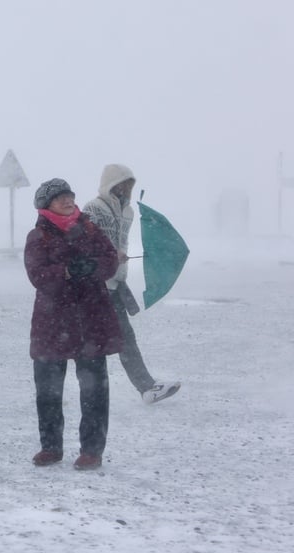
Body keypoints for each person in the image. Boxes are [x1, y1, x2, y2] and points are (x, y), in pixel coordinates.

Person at [24, 179, 122, 470]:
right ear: (46, 205)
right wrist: (65, 271)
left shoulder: (90, 228)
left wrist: (94, 267)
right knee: (49, 389)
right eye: (60, 197)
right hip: (52, 321)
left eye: (70, 195)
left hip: (91, 319)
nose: (68, 201)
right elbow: (37, 276)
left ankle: (91, 450)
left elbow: (109, 261)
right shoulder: (38, 236)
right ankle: (51, 447)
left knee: (94, 389)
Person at [82, 164, 181, 404]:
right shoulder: (92, 209)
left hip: (116, 283)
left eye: (130, 184)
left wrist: (119, 259)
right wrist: (106, 258)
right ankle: (90, 393)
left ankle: (146, 388)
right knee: (91, 344)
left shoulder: (128, 212)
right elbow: (84, 245)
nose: (127, 188)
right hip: (96, 286)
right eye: (123, 183)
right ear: (111, 184)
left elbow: (121, 242)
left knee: (125, 339)